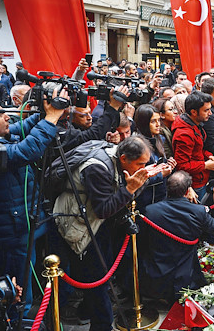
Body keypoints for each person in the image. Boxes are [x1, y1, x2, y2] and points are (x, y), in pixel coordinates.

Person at [0, 90, 66, 316]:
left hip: (20, 227)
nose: (8, 117)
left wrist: (43, 111)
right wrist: (51, 119)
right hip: (9, 233)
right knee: (17, 294)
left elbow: (22, 128)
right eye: (0, 115)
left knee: (25, 288)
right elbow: (26, 151)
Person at [54, 136, 157, 331]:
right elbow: (103, 209)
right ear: (124, 158)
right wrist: (130, 188)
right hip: (81, 224)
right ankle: (101, 325)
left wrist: (136, 185)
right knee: (97, 278)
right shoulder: (98, 168)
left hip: (97, 224)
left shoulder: (117, 159)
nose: (143, 167)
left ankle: (87, 312)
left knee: (101, 276)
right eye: (140, 164)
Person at [140, 171, 214, 300]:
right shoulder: (198, 211)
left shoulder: (150, 211)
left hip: (155, 274)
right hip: (184, 278)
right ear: (187, 191)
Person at [173, 92, 214, 200]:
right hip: (195, 183)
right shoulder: (184, 134)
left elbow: (197, 150)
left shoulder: (195, 125)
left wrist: (208, 156)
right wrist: (205, 165)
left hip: (200, 179)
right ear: (193, 112)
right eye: (206, 110)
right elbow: (181, 165)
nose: (210, 113)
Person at [133, 104, 175, 210]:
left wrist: (169, 165)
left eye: (158, 120)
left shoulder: (159, 138)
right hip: (146, 201)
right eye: (153, 121)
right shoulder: (137, 145)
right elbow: (137, 179)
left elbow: (159, 163)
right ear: (144, 123)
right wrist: (161, 174)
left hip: (160, 196)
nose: (158, 124)